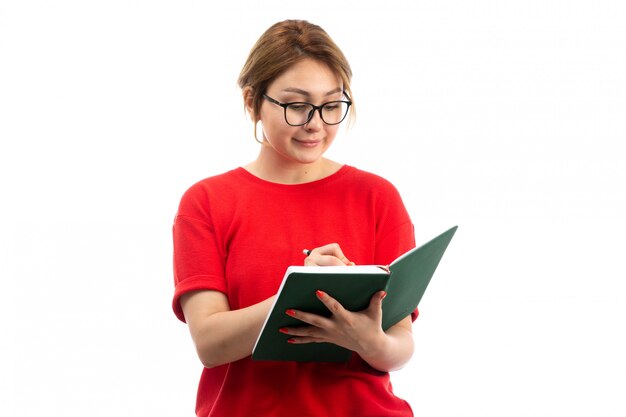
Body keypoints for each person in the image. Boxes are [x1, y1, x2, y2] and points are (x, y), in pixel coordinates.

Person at [172, 19, 418, 417]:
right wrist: (298, 290)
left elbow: (400, 345)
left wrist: (365, 339)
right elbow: (210, 345)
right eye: (297, 105)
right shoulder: (207, 202)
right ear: (253, 101)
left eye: (332, 105)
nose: (316, 123)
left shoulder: (378, 197)